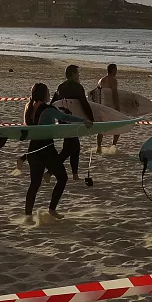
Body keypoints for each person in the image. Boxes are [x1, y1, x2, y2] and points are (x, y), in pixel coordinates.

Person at [22, 83, 90, 222]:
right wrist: (84, 121)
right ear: (43, 94)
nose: (49, 94)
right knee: (62, 178)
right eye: (47, 92)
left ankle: (28, 216)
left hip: (33, 148)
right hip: (46, 148)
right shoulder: (48, 109)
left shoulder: (28, 108)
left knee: (34, 184)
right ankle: (52, 209)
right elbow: (66, 118)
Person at [51, 65, 95, 181]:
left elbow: (53, 103)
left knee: (73, 147)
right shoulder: (77, 87)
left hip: (63, 120)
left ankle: (75, 175)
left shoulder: (61, 87)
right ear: (73, 74)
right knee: (70, 149)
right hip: (73, 121)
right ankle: (50, 171)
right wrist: (91, 118)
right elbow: (84, 104)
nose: (79, 75)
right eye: (77, 73)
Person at [95, 63, 121, 153]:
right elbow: (114, 94)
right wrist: (117, 107)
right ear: (113, 70)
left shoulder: (101, 80)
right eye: (116, 69)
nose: (116, 71)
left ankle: (99, 147)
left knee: (101, 127)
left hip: (102, 106)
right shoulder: (113, 80)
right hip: (111, 106)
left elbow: (97, 94)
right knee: (118, 125)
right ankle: (113, 145)